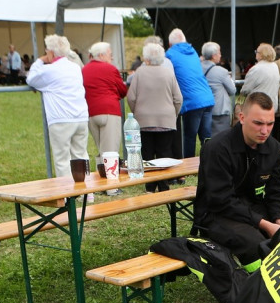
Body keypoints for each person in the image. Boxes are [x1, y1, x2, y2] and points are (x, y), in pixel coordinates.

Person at [191, 92, 280, 271]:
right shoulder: (217, 148)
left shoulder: (272, 146)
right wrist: (266, 225)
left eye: (270, 124)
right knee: (256, 245)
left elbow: (277, 191)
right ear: (241, 117)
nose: (265, 131)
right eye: (258, 123)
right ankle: (257, 288)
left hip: (252, 208)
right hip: (216, 214)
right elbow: (221, 201)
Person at [26, 35, 89, 179]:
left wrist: (39, 61)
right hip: (81, 116)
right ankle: (86, 190)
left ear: (51, 53)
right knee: (81, 154)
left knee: (62, 159)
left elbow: (31, 78)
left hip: (61, 119)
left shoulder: (49, 71)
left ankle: (67, 194)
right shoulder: (75, 68)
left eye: (46, 51)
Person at [126, 42, 183, 192]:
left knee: (147, 154)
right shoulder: (168, 73)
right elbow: (178, 98)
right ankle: (164, 185)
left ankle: (150, 186)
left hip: (144, 120)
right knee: (165, 153)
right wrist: (173, 114)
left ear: (147, 58)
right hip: (166, 119)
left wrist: (137, 112)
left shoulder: (139, 73)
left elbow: (131, 97)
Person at [82, 41, 128, 194]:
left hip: (91, 112)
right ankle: (111, 187)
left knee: (101, 149)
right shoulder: (110, 69)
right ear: (101, 55)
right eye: (109, 54)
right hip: (109, 111)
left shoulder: (84, 70)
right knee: (111, 150)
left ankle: (101, 182)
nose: (112, 57)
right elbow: (122, 90)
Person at [165, 28, 215, 158]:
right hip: (207, 98)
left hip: (191, 101)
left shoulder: (169, 55)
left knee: (189, 137)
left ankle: (189, 165)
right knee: (206, 137)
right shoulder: (192, 51)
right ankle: (210, 161)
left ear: (170, 44)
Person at [200, 41, 237, 136]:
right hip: (219, 111)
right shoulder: (221, 72)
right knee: (221, 138)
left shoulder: (197, 68)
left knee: (206, 138)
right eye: (219, 52)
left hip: (201, 108)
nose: (221, 55)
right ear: (214, 55)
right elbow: (233, 90)